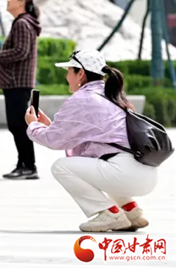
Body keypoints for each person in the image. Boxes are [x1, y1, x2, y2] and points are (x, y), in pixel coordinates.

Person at [26, 50, 157, 232]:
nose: (66, 77)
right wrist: (49, 126)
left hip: (124, 173)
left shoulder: (83, 99)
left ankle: (109, 215)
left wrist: (33, 125)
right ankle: (131, 211)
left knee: (61, 167)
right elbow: (80, 139)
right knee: (102, 163)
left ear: (80, 73)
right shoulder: (111, 94)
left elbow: (53, 141)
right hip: (145, 172)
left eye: (68, 71)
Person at [0, 0, 42, 180]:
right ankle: (24, 164)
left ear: (22, 2)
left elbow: (21, 51)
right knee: (17, 124)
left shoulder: (22, 23)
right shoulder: (24, 22)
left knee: (18, 124)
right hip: (17, 82)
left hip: (17, 82)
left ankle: (28, 166)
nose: (8, 1)